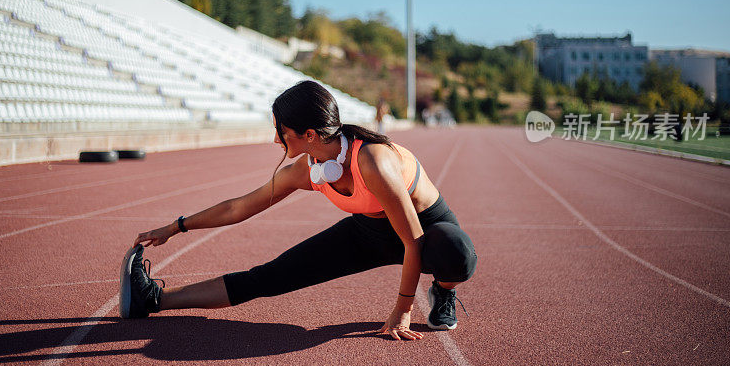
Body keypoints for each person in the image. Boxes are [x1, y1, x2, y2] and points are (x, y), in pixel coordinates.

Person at [122, 80, 477, 340]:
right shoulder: (308, 169)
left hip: (426, 230)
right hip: (368, 232)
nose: (276, 140)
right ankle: (153, 299)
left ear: (309, 134)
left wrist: (402, 309)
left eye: (282, 131)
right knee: (268, 276)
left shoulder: (373, 161)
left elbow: (412, 241)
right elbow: (240, 207)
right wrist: (176, 226)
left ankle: (444, 291)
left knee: (456, 251)